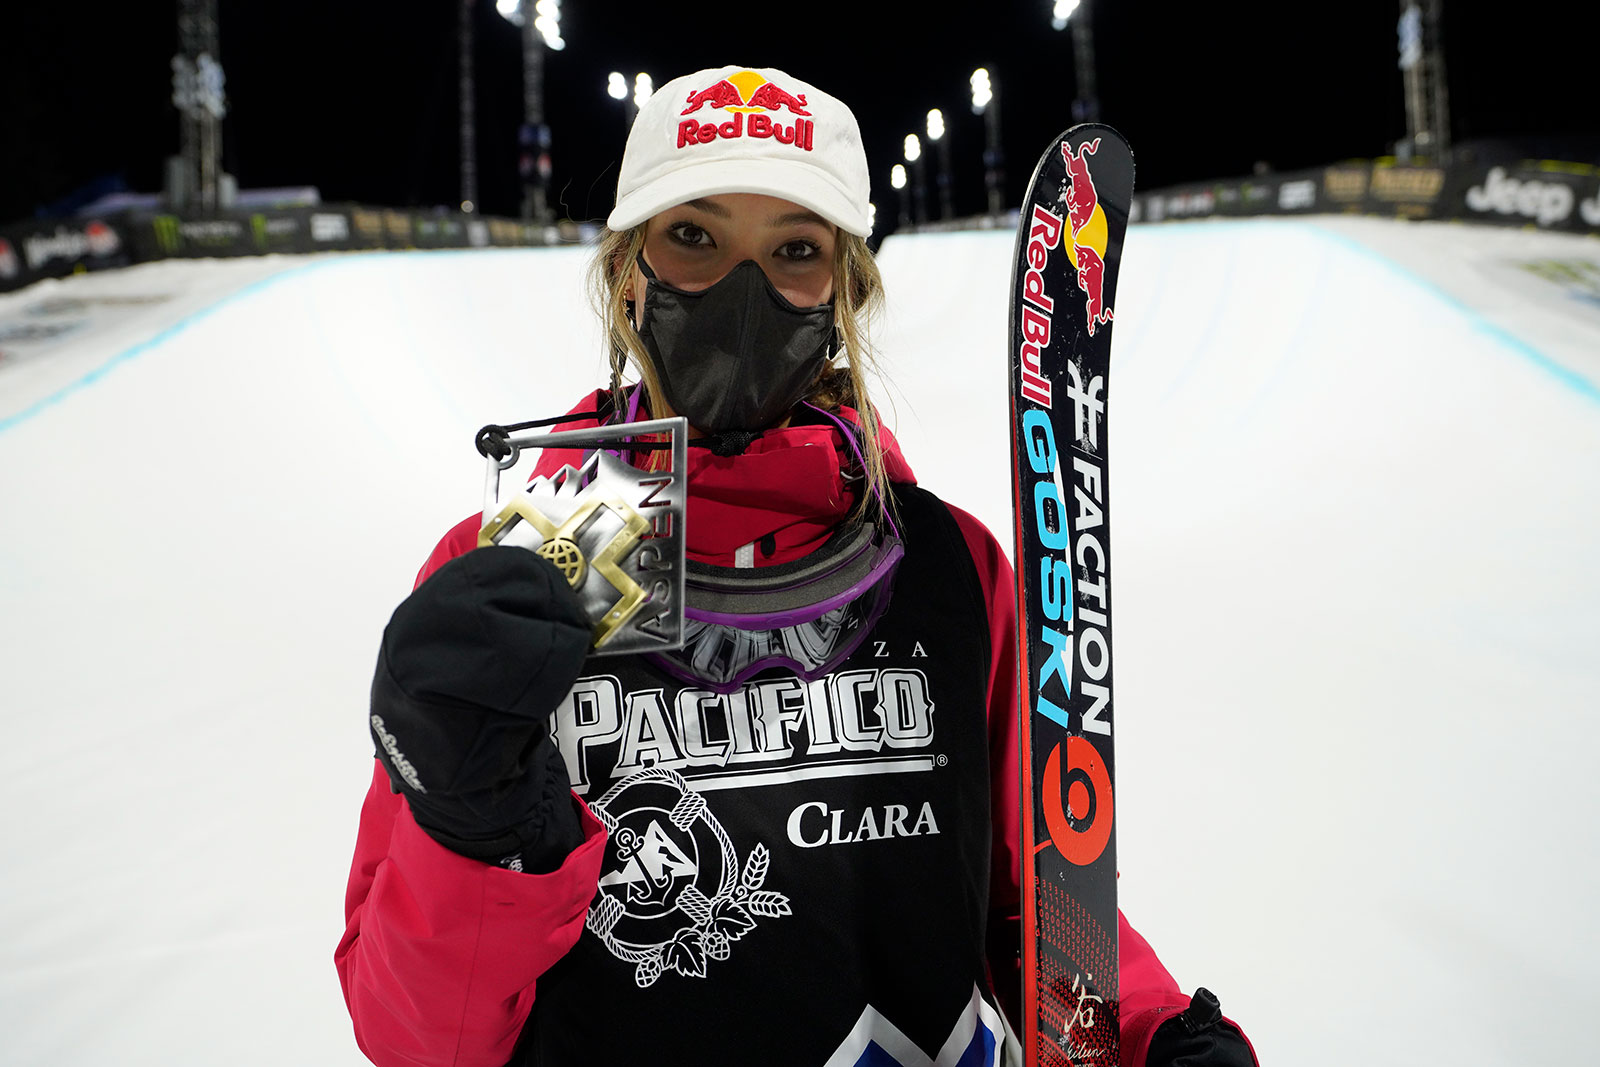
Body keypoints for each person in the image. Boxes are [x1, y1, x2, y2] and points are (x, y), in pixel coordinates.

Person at [336, 64, 1258, 1067]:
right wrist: (468, 821)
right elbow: (417, 1037)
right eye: (693, 236)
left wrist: (1148, 1031)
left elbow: (1039, 895)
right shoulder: (512, 579)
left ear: (843, 292)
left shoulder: (948, 566)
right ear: (626, 272)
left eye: (794, 251)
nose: (744, 290)